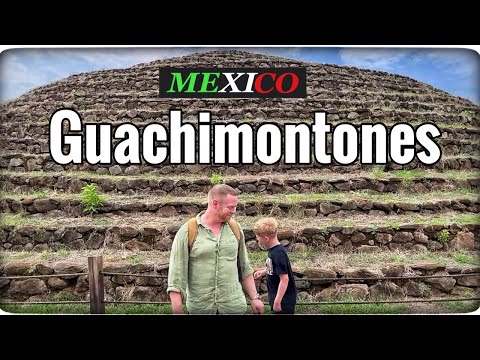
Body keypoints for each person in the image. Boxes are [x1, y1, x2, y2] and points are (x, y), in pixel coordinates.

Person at [167, 184, 264, 314]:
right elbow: (176, 276)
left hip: (233, 307)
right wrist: (177, 310)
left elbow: (244, 267)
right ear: (215, 203)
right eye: (230, 207)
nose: (234, 211)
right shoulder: (187, 231)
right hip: (201, 309)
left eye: (235, 207)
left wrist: (255, 298)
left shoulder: (235, 229)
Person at [253, 217, 297, 314]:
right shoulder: (274, 250)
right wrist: (264, 271)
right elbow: (275, 267)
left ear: (266, 239)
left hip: (283, 301)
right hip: (278, 297)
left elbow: (284, 279)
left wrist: (277, 302)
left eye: (258, 237)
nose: (257, 239)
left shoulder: (278, 253)